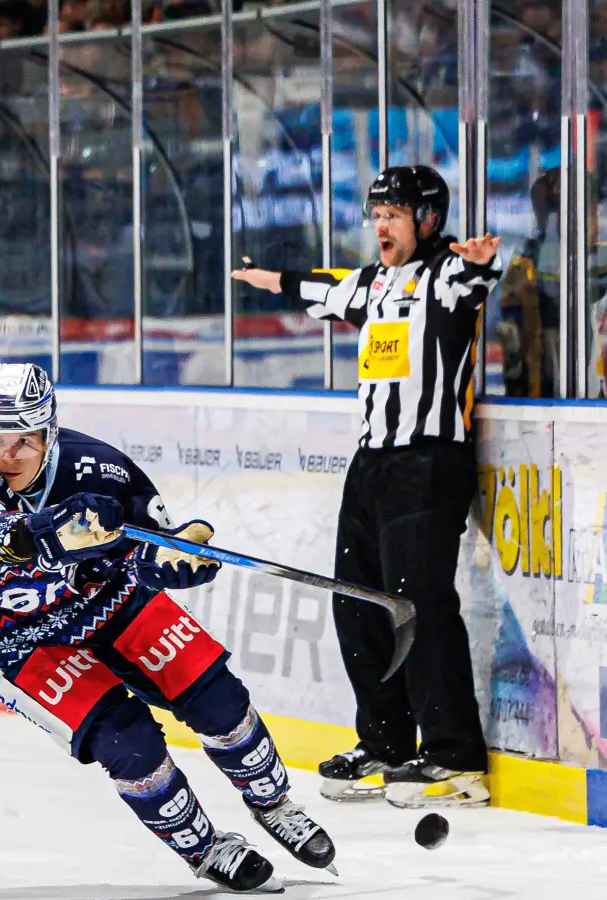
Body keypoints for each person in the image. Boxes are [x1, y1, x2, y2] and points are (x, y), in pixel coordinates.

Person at [0, 363, 337, 893]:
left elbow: (158, 536)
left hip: (110, 603)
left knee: (218, 700)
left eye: (24, 440)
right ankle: (206, 848)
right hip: (19, 641)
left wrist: (177, 550)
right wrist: (47, 534)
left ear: (49, 434)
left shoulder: (98, 466)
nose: (7, 455)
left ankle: (274, 804)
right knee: (131, 744)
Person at [230, 165, 502, 809]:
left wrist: (483, 259)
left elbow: (476, 278)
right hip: (372, 462)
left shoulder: (446, 276)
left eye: (395, 214)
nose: (381, 225)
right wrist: (258, 277)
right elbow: (318, 286)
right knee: (356, 601)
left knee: (421, 603)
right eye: (376, 214)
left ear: (428, 220)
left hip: (428, 461)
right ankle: (386, 745)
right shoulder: (375, 283)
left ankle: (454, 758)